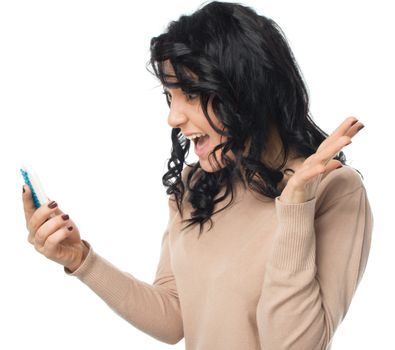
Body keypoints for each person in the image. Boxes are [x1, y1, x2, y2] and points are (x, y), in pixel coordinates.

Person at [22, 1, 373, 349]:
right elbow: (175, 316)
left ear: (244, 90)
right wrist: (80, 259)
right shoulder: (195, 185)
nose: (173, 117)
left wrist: (296, 206)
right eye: (169, 95)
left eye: (190, 93)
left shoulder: (336, 191)